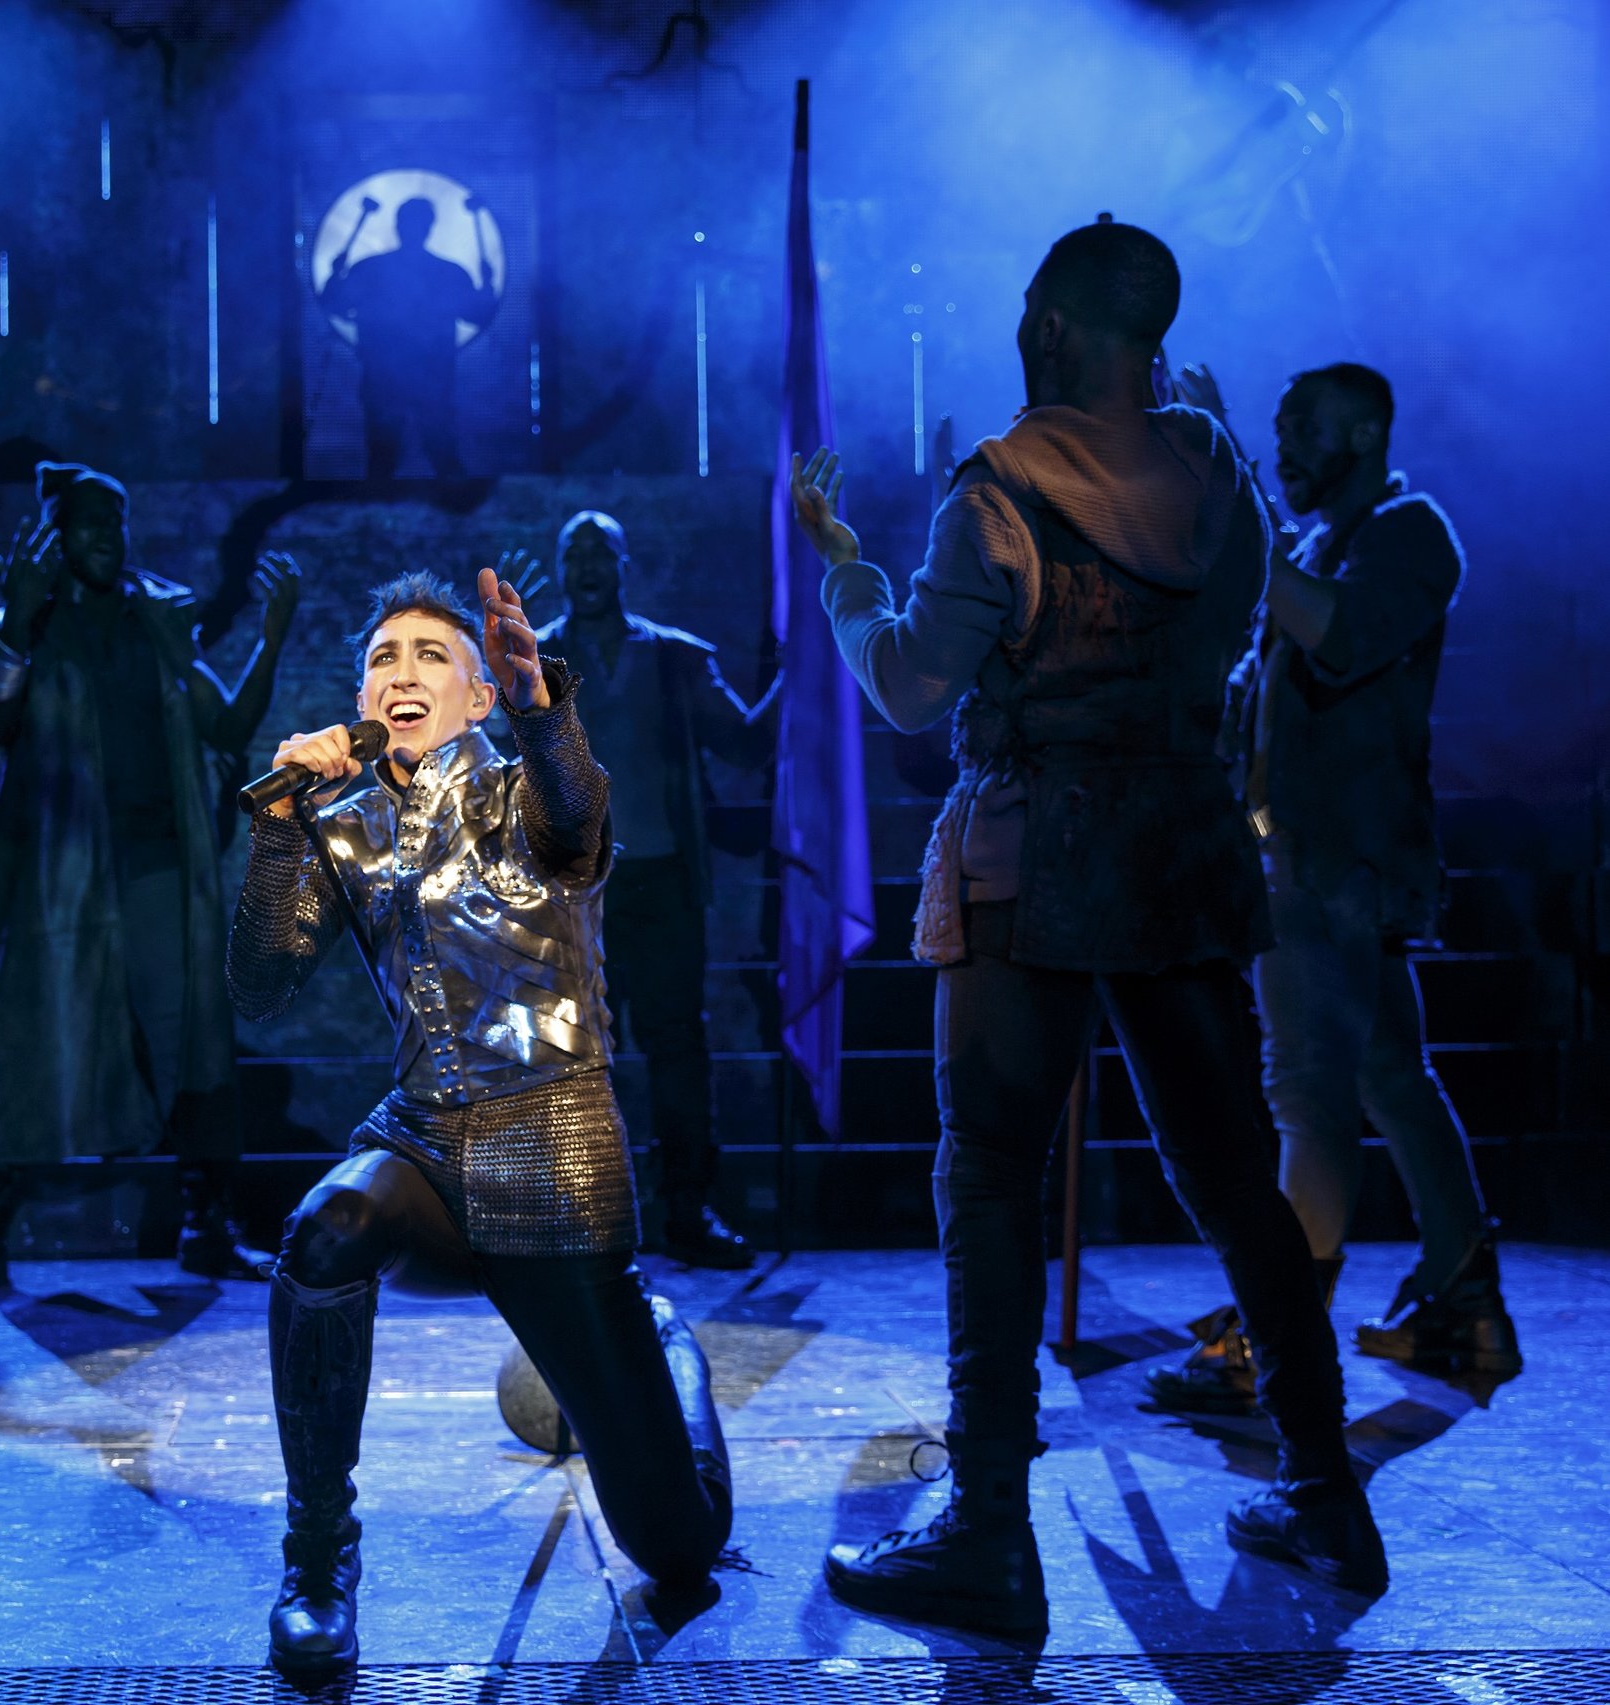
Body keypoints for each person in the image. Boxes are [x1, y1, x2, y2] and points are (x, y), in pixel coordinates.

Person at [788, 219, 1384, 1640]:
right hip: (1180, 852)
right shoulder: (1219, 474)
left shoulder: (996, 493)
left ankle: (988, 1528)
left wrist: (846, 573)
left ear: (1050, 327)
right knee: (1234, 1178)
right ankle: (1325, 1492)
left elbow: (912, 689)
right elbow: (1244, 629)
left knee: (991, 1177)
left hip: (1031, 859)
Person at [234, 568, 731, 1678]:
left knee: (677, 1547)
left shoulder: (523, 795)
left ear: (475, 695)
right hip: (420, 1142)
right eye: (382, 657)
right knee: (325, 1230)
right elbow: (259, 983)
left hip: (551, 1152)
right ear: (362, 697)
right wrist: (278, 826)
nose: (401, 671)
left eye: (430, 655)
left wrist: (544, 712)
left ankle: (664, 1347)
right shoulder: (344, 825)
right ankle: (317, 1559)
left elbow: (577, 810)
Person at [1144, 361, 1515, 1416]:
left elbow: (1338, 635)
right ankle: (1462, 1299)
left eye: (1302, 428)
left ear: (1361, 434)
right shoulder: (1311, 543)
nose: (1286, 448)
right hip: (1305, 859)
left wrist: (1234, 481)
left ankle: (1277, 1336)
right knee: (1390, 1075)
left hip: (1338, 863)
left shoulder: (1411, 532)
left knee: (1306, 1089)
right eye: (1276, 430)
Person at [0, 463, 301, 1294]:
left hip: (157, 871)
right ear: (55, 534)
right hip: (61, 877)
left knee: (192, 1042)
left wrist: (272, 637)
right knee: (32, 1040)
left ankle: (206, 1224)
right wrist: (17, 621)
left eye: (115, 521)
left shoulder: (158, 620)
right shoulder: (22, 623)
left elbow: (228, 725)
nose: (106, 537)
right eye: (87, 522)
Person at [527, 515, 779, 1267]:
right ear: (561, 570)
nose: (587, 566)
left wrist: (799, 673)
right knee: (568, 1051)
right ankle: (576, 1210)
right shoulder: (535, 664)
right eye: (573, 554)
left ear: (624, 565)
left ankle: (688, 1209)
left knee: (676, 1048)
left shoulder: (674, 658)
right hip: (571, 890)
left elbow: (744, 742)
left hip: (662, 879)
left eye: (600, 553)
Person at [318, 197, 499, 478]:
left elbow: (333, 304)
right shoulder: (448, 273)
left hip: (392, 374)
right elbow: (479, 314)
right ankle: (455, 500)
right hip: (426, 374)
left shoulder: (370, 269)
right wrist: (486, 286)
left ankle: (384, 501)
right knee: (435, 451)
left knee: (386, 457)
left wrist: (335, 275)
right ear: (429, 227)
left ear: (398, 225)